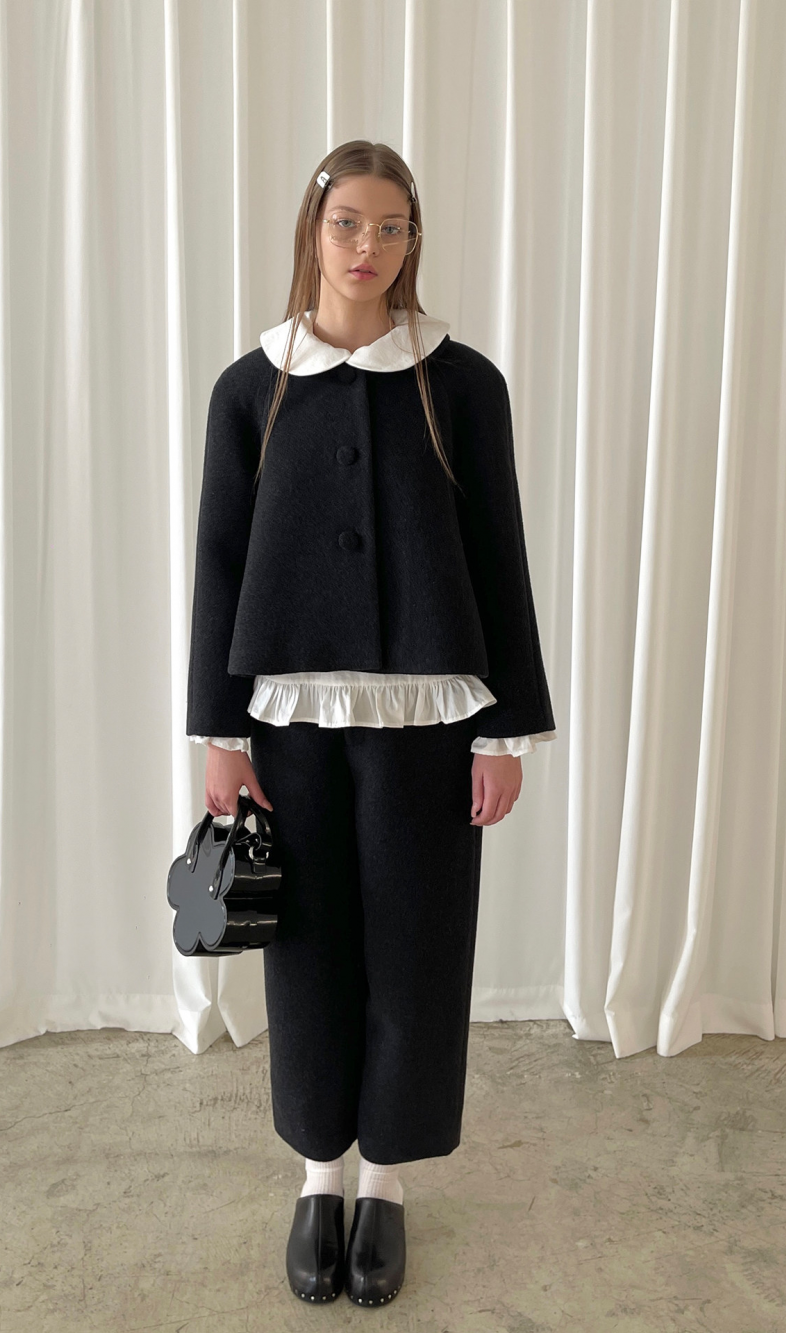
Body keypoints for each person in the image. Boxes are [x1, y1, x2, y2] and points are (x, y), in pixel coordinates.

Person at [186, 140, 556, 1308]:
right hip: (287, 721)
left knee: (416, 949)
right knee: (305, 949)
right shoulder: (252, 387)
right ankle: (318, 1177)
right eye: (347, 222)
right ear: (314, 230)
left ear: (412, 240)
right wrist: (218, 732)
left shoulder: (463, 384)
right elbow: (218, 566)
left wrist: (503, 732)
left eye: (390, 227)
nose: (367, 247)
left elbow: (497, 555)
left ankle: (384, 1183)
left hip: (432, 721)